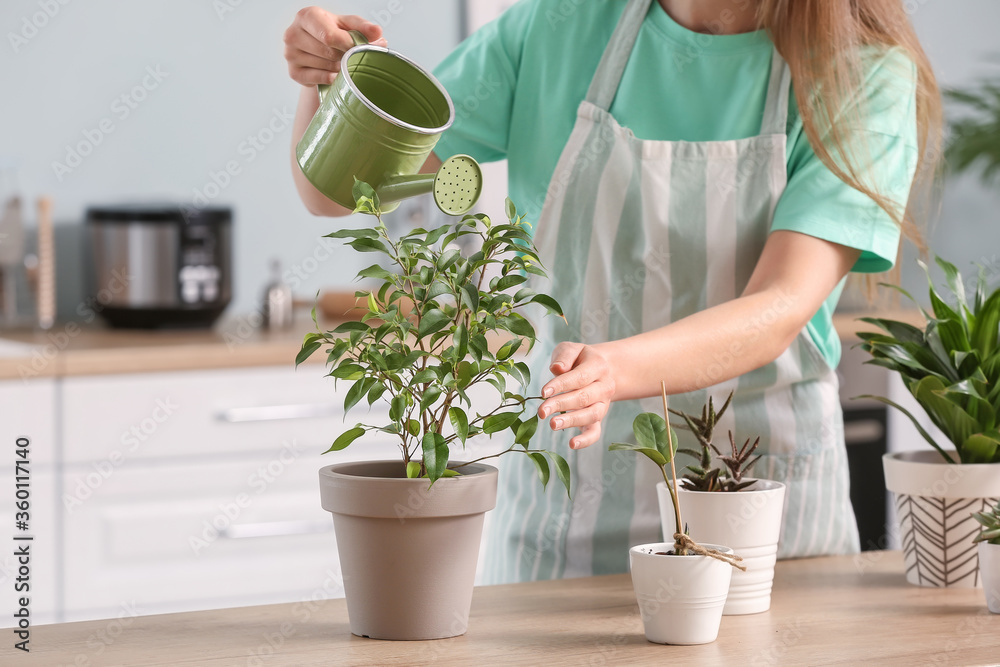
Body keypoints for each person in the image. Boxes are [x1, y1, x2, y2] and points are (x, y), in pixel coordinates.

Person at [283, 0, 941, 584]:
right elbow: (338, 190)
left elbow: (779, 306)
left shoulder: (861, 72)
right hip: (565, 514)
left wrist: (614, 369)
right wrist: (326, 81)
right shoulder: (558, 24)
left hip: (763, 528)